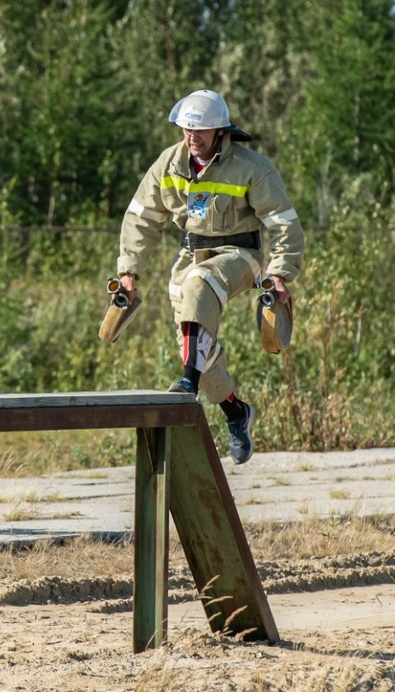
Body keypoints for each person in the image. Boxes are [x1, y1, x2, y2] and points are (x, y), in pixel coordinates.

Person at [115, 89, 304, 465]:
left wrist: (280, 273)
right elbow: (141, 218)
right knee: (193, 340)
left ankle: (186, 382)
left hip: (242, 256)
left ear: (222, 131)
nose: (192, 137)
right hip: (190, 255)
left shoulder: (253, 167)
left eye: (200, 131)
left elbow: (284, 224)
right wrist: (128, 271)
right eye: (186, 130)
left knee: (200, 284)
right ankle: (236, 412)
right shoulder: (168, 164)